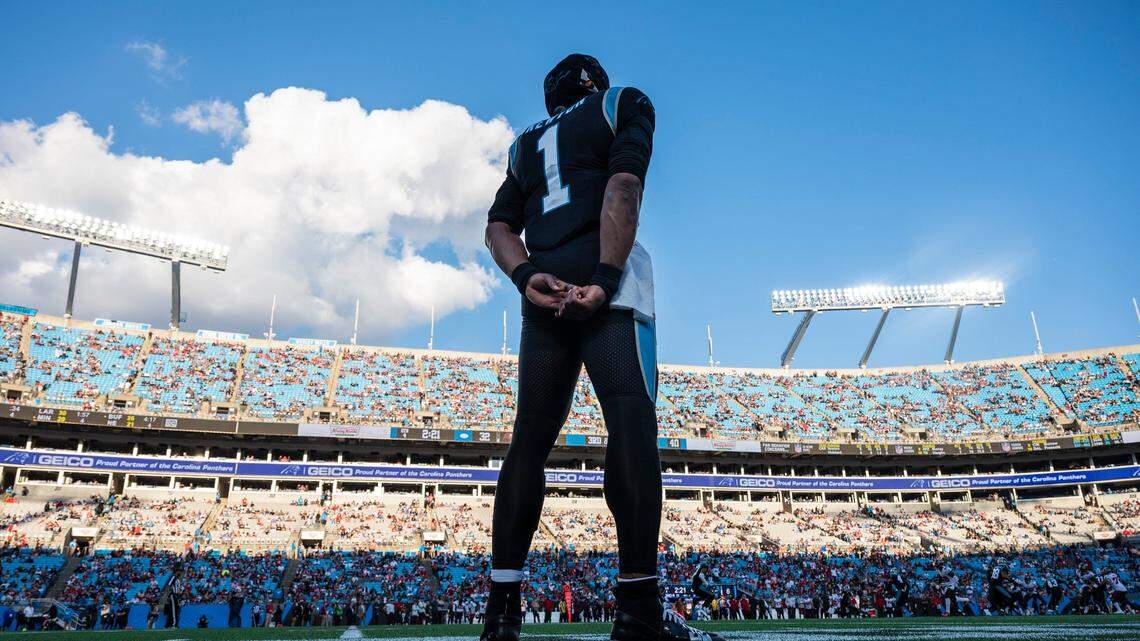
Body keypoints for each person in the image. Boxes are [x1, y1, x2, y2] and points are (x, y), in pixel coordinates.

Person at [482, 53, 715, 641]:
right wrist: (606, 280)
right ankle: (638, 609)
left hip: (544, 292)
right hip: (603, 282)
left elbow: (498, 227)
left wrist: (524, 276)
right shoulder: (620, 103)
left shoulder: (523, 144)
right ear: (595, 84)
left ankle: (502, 614)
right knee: (630, 423)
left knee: (528, 440)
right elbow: (623, 184)